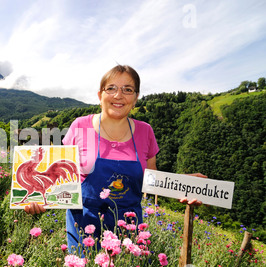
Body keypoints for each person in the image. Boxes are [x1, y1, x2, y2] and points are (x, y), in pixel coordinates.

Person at [24, 65, 205, 253]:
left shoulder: (146, 131)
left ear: (135, 99)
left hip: (129, 228)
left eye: (128, 90)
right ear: (100, 95)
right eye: (111, 88)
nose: (119, 95)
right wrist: (41, 198)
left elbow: (151, 179)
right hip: (84, 226)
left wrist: (186, 185)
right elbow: (59, 173)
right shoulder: (80, 126)